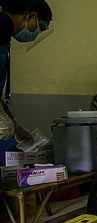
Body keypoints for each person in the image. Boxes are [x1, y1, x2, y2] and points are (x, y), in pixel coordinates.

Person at [0, 0, 52, 140]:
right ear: (30, 16)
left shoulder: (4, 33)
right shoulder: (2, 27)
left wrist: (15, 126)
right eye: (40, 27)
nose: (37, 33)